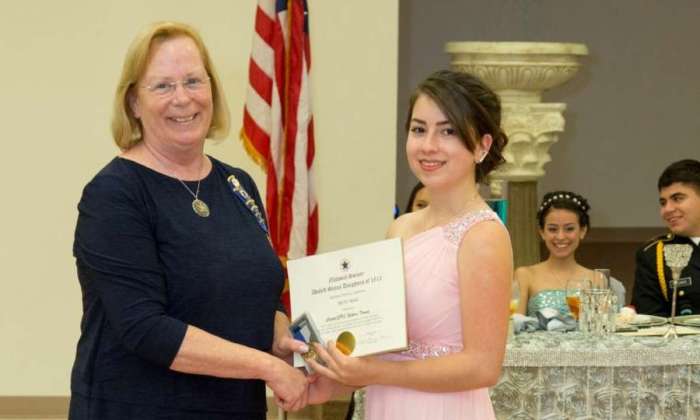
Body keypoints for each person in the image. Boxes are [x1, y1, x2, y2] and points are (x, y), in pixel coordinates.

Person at [69, 22, 309, 419]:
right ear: (133, 103)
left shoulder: (238, 183)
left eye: (194, 81)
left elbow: (251, 294)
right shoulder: (114, 194)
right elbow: (145, 328)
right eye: (162, 86)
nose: (182, 98)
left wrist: (280, 336)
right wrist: (265, 366)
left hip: (234, 408)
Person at [308, 69, 513, 419]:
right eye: (419, 129)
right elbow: (378, 341)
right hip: (388, 403)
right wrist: (331, 377)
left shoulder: (483, 236)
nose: (428, 145)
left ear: (482, 145)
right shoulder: (401, 228)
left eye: (447, 131)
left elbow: (483, 367)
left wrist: (375, 373)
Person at [515, 191, 625, 317]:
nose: (560, 236)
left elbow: (604, 328)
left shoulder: (597, 279)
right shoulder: (525, 275)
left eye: (569, 229)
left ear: (582, 231)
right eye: (552, 229)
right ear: (542, 232)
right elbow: (515, 326)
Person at [632, 159, 700, 316]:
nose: (667, 209)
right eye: (663, 202)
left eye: (677, 198)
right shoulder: (653, 255)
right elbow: (650, 322)